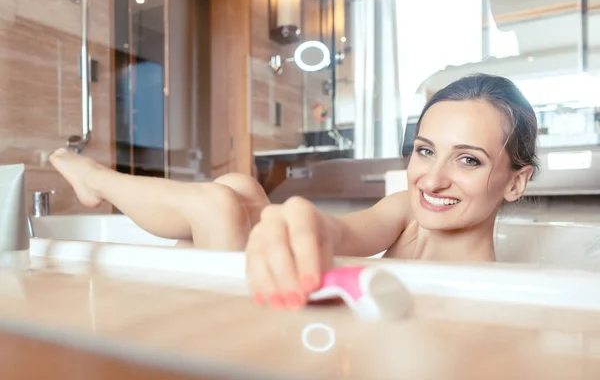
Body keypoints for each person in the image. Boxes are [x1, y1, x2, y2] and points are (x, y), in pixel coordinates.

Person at [49, 73, 539, 311]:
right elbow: (344, 231)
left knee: (218, 204)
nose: (432, 180)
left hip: (271, 341)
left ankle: (95, 181)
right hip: (281, 315)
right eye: (425, 151)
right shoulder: (408, 212)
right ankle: (97, 185)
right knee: (237, 187)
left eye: (468, 160)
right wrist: (305, 221)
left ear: (516, 181)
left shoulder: (485, 290)